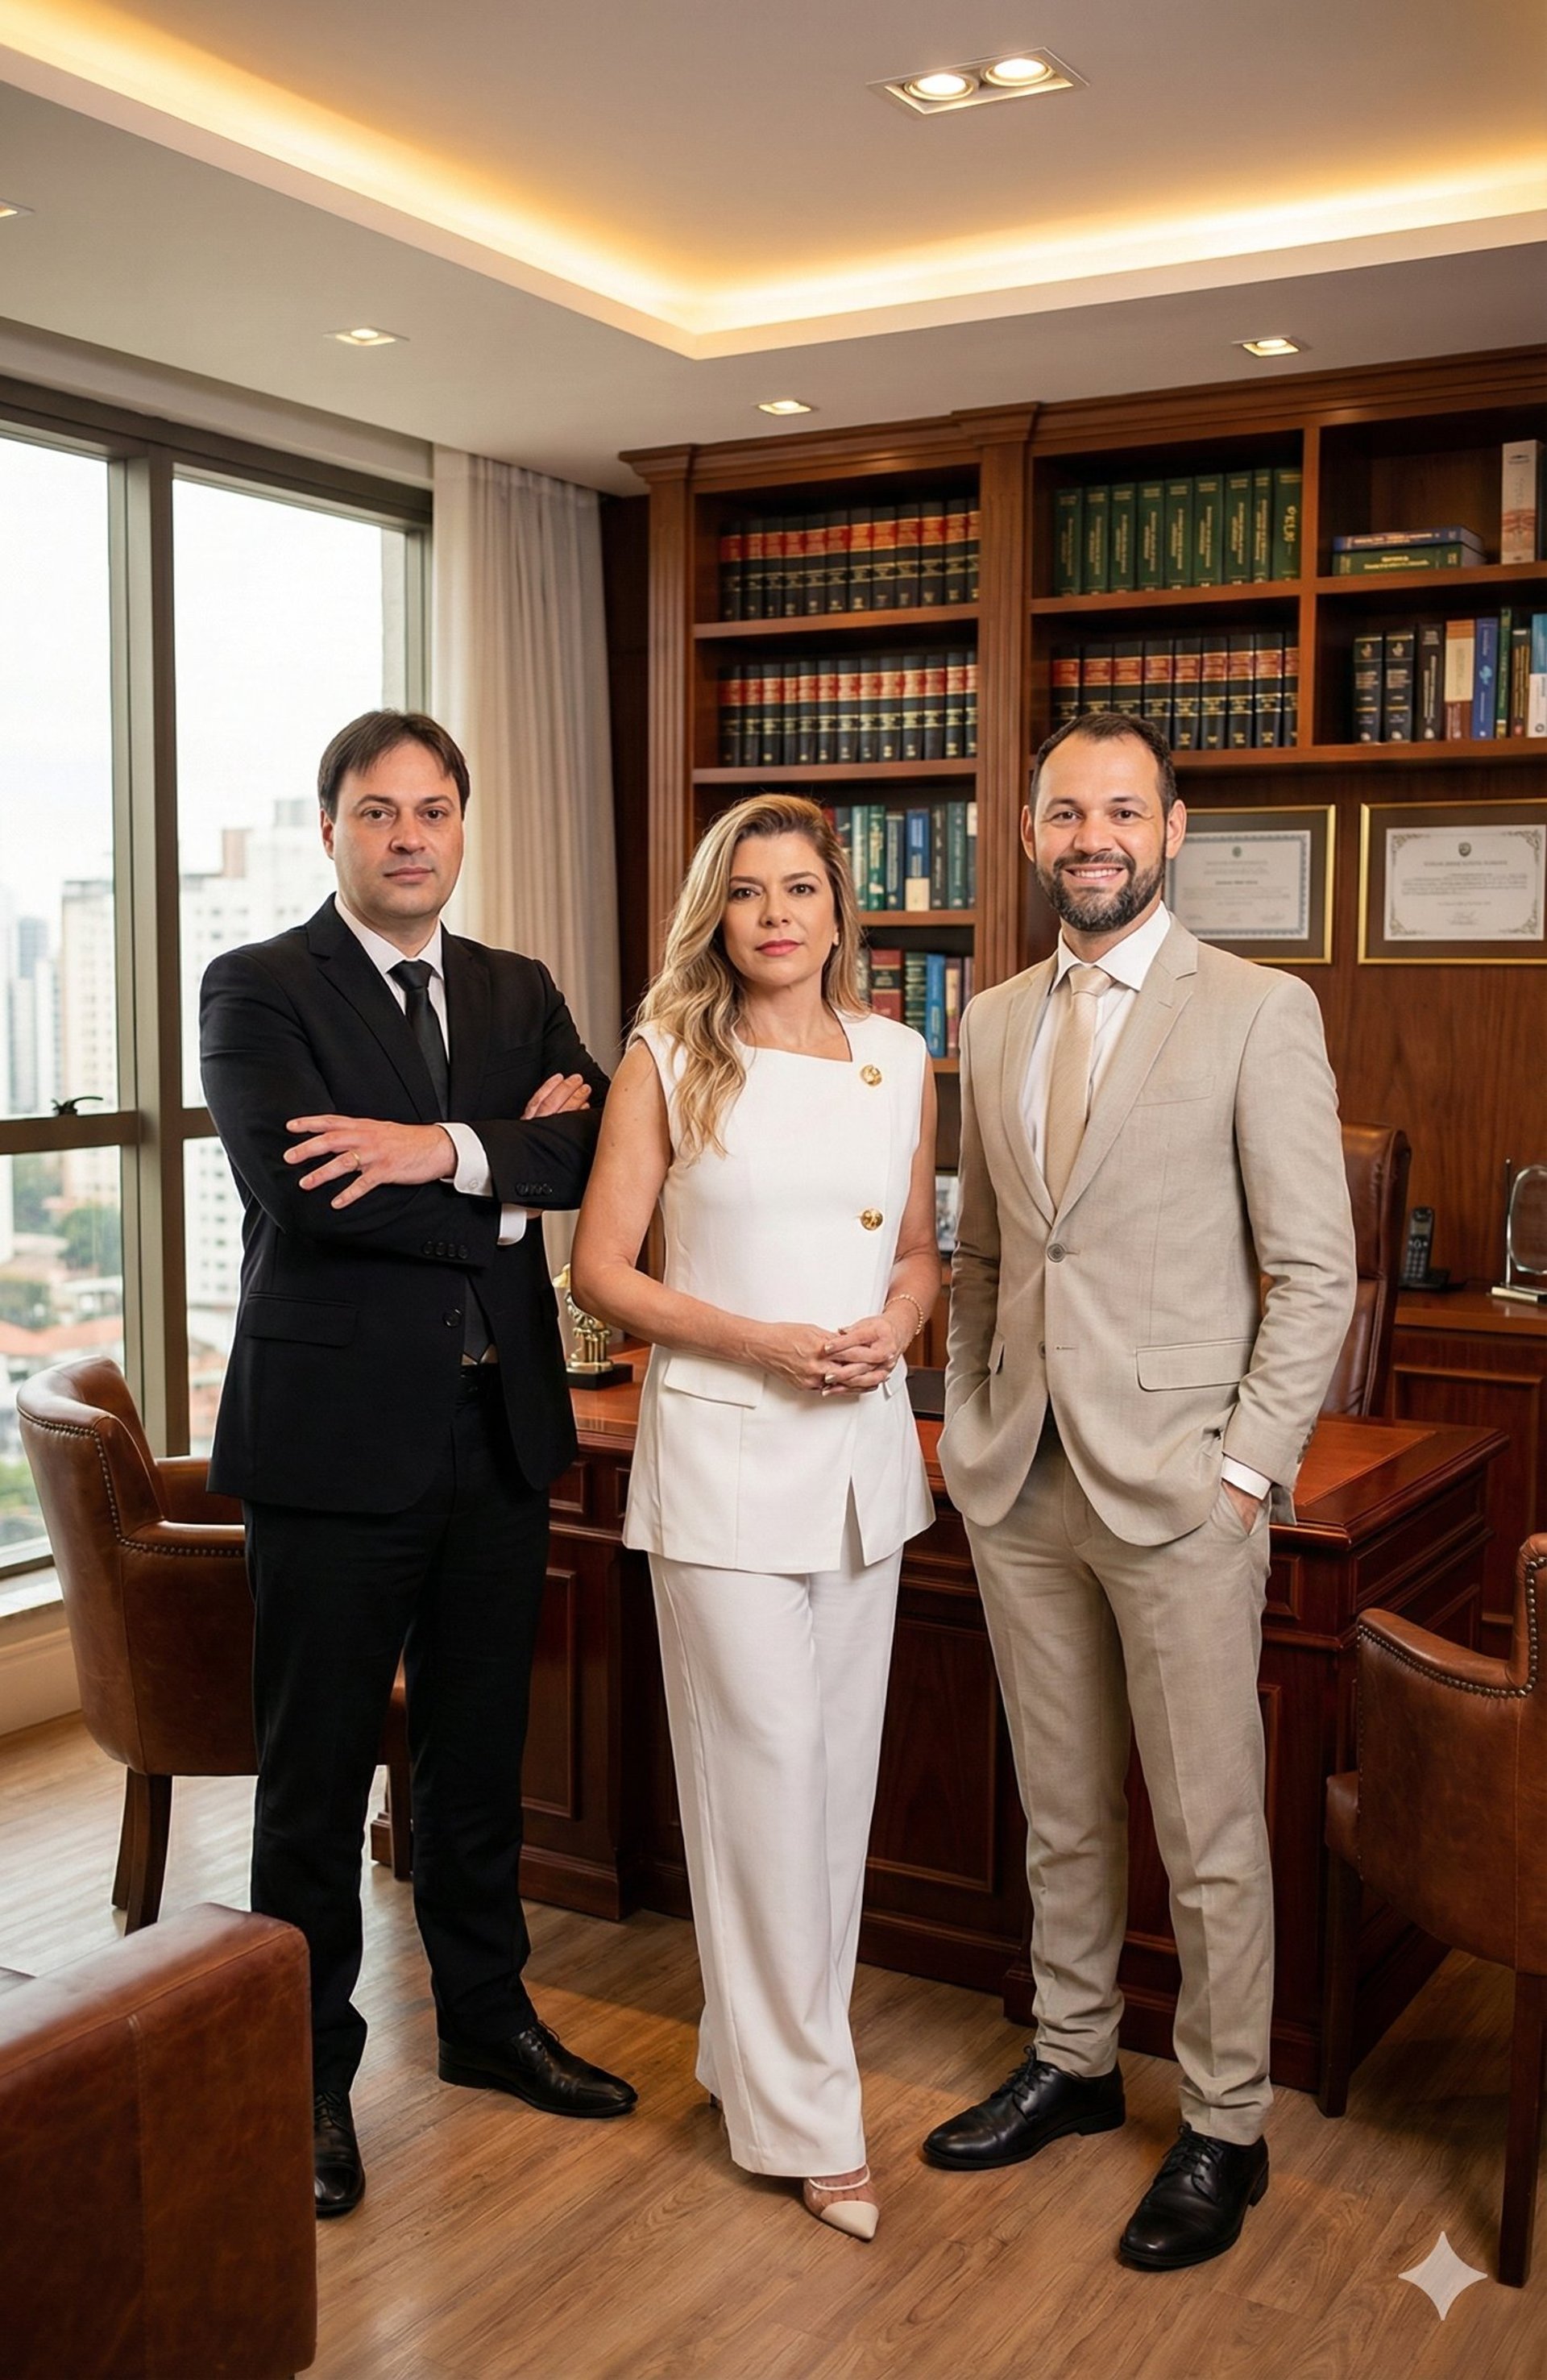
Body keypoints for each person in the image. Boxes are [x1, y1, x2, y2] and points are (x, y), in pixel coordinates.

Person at [924, 709, 1355, 2270]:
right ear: (1031, 833)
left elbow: (1316, 1271)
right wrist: (974, 1422)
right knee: (1058, 1806)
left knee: (1210, 1823)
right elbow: (983, 1255)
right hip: (1020, 1475)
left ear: (1174, 830)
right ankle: (1076, 2060)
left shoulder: (1255, 1010)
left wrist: (1245, 1470)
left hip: (1182, 1492)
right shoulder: (988, 1018)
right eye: (1064, 811)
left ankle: (1226, 2125)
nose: (1091, 834)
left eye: (1123, 809)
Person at [200, 709, 636, 2220]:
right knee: (313, 1780)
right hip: (331, 1447)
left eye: (433, 810)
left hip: (500, 1429)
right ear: (330, 827)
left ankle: (488, 2020)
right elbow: (307, 1192)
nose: (407, 835)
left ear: (463, 829)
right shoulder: (257, 985)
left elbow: (598, 1158)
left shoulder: (517, 987)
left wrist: (435, 1149)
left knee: (475, 1752)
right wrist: (502, 1159)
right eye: (376, 810)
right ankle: (306, 2069)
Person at [570, 794, 939, 2240]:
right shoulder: (670, 1056)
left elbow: (918, 1253)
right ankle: (811, 2119)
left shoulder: (902, 1059)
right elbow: (605, 1271)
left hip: (861, 1459)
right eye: (748, 891)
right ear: (715, 916)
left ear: (842, 909)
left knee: (831, 1795)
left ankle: (750, 2059)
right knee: (768, 1780)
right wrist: (764, 1343)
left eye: (801, 887)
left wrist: (894, 1326)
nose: (778, 913)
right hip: (726, 1457)